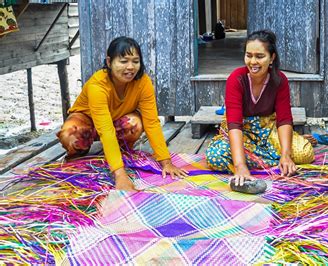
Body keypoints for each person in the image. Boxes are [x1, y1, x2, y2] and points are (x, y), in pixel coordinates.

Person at [57, 36, 187, 191]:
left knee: (135, 124)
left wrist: (166, 162)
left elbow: (151, 122)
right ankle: (78, 156)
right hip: (88, 122)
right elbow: (106, 130)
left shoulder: (144, 83)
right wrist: (120, 175)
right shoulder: (97, 85)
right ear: (109, 62)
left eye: (135, 61)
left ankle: (119, 153)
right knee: (70, 133)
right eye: (123, 61)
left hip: (115, 121)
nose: (131, 67)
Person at [205, 30, 314, 190]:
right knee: (215, 157)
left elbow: (284, 119)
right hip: (241, 134)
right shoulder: (236, 79)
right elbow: (234, 125)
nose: (253, 62)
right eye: (248, 55)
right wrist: (240, 165)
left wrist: (286, 155)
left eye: (259, 56)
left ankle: (266, 156)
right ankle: (252, 158)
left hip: (268, 132)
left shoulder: (279, 80)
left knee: (304, 153)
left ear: (272, 58)